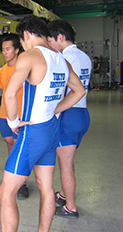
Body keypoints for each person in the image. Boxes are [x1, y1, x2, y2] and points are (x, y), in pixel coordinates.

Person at [0, 15, 85, 232]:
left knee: (5, 191)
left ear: (26, 35)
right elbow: (80, 91)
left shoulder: (30, 56)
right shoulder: (62, 60)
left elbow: (9, 95)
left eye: (22, 40)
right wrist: (55, 108)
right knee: (46, 189)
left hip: (33, 132)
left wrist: (13, 122)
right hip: (52, 130)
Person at [48, 19, 91, 218]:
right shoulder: (85, 57)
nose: (50, 45)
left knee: (65, 165)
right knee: (68, 159)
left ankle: (70, 208)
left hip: (68, 115)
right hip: (82, 114)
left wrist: (51, 113)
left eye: (51, 40)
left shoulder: (64, 59)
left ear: (61, 37)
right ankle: (65, 193)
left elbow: (63, 92)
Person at [0, 34, 28, 200]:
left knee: (19, 147)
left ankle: (21, 183)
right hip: (4, 115)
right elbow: (4, 93)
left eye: (7, 49)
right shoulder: (2, 71)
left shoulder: (24, 69)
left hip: (20, 115)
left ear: (17, 50)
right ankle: (13, 177)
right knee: (10, 145)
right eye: (3, 49)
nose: (4, 52)